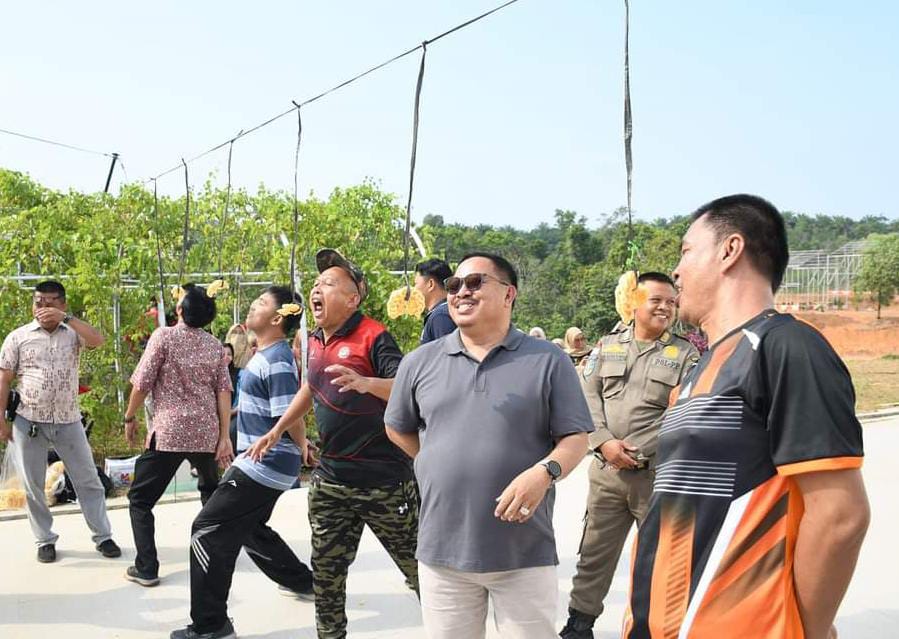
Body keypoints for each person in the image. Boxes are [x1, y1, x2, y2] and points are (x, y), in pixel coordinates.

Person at [621, 195, 869, 639]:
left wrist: (803, 628)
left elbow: (840, 514)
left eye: (686, 251)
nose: (676, 271)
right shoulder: (701, 366)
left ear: (730, 250)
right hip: (659, 621)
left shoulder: (785, 346)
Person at [384, 252, 593, 639]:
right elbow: (397, 427)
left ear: (509, 294)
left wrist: (544, 472)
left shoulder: (548, 361)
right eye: (453, 286)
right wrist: (434, 460)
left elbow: (576, 437)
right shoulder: (419, 362)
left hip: (523, 554)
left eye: (475, 282)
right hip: (441, 554)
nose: (461, 292)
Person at [246, 249, 417, 639]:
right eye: (316, 283)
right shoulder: (314, 340)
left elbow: (408, 389)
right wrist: (279, 429)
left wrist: (367, 384)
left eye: (328, 283)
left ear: (353, 298)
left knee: (419, 568)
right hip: (330, 482)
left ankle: (455, 627)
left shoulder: (374, 335)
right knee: (326, 573)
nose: (316, 289)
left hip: (383, 482)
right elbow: (312, 385)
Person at [559, 273, 699, 638]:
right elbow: (586, 398)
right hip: (606, 473)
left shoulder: (686, 355)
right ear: (634, 302)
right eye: (656, 300)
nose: (665, 307)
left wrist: (638, 450)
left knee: (659, 560)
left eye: (671, 302)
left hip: (656, 476)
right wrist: (604, 442)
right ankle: (579, 624)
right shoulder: (607, 346)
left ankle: (653, 628)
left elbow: (683, 412)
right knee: (594, 554)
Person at [170, 286, 314, 639]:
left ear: (278, 319)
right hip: (264, 461)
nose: (253, 306)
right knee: (249, 528)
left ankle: (211, 626)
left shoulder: (278, 358)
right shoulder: (263, 354)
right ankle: (305, 582)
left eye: (262, 303)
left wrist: (301, 446)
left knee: (207, 530)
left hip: (264, 463)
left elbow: (288, 414)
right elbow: (271, 406)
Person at [0, 280, 121, 563]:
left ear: (63, 305)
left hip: (68, 420)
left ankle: (103, 536)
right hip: (28, 420)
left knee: (88, 480)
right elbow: (4, 379)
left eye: (50, 302)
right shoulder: (18, 337)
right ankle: (44, 540)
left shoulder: (72, 333)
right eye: (38, 302)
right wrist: (2, 420)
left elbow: (98, 340)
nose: (43, 308)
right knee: (33, 485)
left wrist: (67, 319)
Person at [123, 283, 234, 587]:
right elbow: (224, 391)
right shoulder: (214, 345)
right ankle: (216, 557)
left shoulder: (164, 336)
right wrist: (224, 435)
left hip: (170, 432)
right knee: (211, 495)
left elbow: (142, 382)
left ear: (180, 310)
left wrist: (129, 416)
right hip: (205, 432)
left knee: (141, 500)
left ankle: (147, 567)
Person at [414, 258, 456, 344]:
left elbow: (446, 354)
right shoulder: (444, 311)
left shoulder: (440, 316)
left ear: (431, 284)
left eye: (416, 284)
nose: (414, 289)